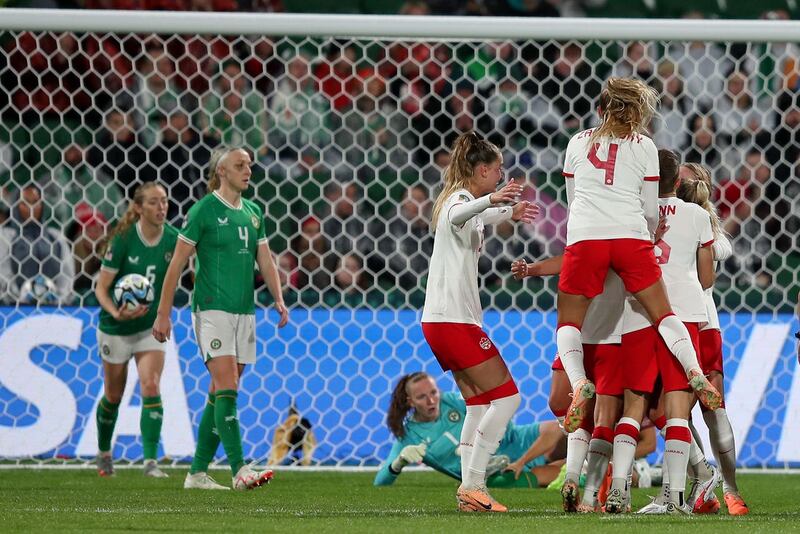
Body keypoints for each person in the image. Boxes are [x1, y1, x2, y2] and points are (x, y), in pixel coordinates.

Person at [554, 78, 720, 439]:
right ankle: (694, 371)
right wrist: (644, 235)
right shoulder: (645, 145)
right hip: (630, 235)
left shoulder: (577, 142)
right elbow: (648, 209)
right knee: (663, 314)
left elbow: (573, 197)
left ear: (600, 110)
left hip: (586, 236)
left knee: (569, 322)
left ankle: (580, 382)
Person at [152, 147, 288, 491]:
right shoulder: (204, 211)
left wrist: (279, 299)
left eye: (250, 166)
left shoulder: (254, 213)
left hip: (245, 311)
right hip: (212, 310)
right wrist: (163, 313)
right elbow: (177, 264)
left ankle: (196, 473)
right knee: (227, 385)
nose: (248, 171)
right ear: (221, 171)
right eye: (240, 165)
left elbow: (266, 260)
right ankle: (239, 469)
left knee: (221, 391)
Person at [420, 131, 538, 512]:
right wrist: (493, 200)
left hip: (442, 320)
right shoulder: (458, 199)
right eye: (497, 169)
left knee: (477, 403)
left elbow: (476, 215)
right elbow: (460, 213)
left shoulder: (463, 199)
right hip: (454, 320)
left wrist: (508, 211)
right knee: (508, 398)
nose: (501, 175)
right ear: (482, 169)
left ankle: (468, 490)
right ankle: (474, 483)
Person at [604, 149, 716, 514]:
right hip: (682, 312)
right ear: (678, 181)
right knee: (678, 408)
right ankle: (677, 497)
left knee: (633, 406)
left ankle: (618, 491)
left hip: (639, 312)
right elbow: (706, 278)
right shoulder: (698, 215)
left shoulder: (633, 215)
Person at [676, 163, 749, 516]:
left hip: (702, 324)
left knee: (711, 407)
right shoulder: (665, 218)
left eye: (683, 180)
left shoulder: (703, 225)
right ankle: (703, 480)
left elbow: (722, 249)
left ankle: (732, 490)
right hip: (669, 322)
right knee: (671, 411)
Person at [93, 182, 177, 478]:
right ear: (139, 208)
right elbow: (101, 288)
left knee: (151, 384)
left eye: (164, 201)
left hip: (149, 328)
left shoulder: (174, 239)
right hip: (115, 328)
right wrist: (117, 311)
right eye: (154, 202)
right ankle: (104, 454)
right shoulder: (123, 239)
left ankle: (150, 462)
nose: (161, 207)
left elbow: (191, 273)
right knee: (113, 396)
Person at [375, 373, 565, 488]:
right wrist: (398, 464)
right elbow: (380, 482)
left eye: (433, 393)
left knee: (560, 429)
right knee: (510, 481)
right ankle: (574, 473)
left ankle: (570, 466)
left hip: (511, 440)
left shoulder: (451, 400)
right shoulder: (409, 437)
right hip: (488, 472)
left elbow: (490, 407)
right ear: (410, 402)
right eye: (422, 397)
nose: (431, 401)